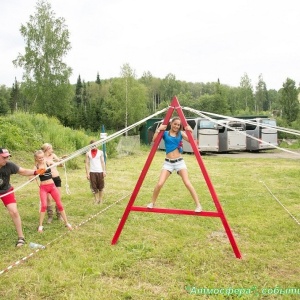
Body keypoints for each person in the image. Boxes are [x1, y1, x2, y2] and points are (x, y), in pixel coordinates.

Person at [147, 117, 203, 212]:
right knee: (160, 183)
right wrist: (159, 129)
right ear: (171, 124)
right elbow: (154, 140)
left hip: (179, 162)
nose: (176, 126)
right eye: (175, 124)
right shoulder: (165, 133)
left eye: (178, 125)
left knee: (187, 182)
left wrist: (190, 131)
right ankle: (152, 202)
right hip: (168, 163)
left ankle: (198, 205)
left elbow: (191, 141)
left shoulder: (181, 133)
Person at [0, 147, 45, 247]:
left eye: (7, 157)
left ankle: (21, 237)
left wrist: (36, 172)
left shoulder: (9, 165)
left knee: (14, 212)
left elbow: (23, 171)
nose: (6, 159)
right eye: (4, 157)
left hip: (6, 190)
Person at [33, 150, 72, 232]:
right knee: (44, 205)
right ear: (36, 158)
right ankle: (40, 226)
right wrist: (38, 172)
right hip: (43, 187)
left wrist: (61, 161)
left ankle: (67, 223)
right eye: (39, 158)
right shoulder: (35, 166)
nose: (41, 159)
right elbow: (30, 177)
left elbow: (59, 165)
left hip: (52, 186)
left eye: (42, 157)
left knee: (59, 203)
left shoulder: (48, 162)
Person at [41, 143, 65, 223]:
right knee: (48, 198)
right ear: (47, 149)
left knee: (58, 197)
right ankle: (50, 216)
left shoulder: (53, 155)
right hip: (48, 180)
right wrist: (49, 162)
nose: (52, 150)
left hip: (56, 178)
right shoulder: (42, 158)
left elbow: (60, 165)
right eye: (51, 148)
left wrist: (61, 161)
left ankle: (59, 215)